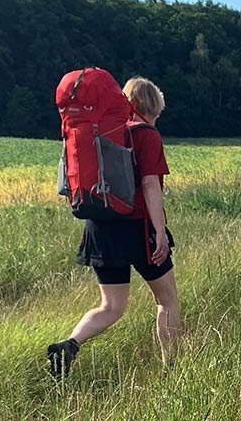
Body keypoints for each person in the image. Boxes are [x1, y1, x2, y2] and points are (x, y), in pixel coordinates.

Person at [47, 77, 180, 377]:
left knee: (111, 307)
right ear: (155, 105)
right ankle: (170, 369)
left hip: (100, 228)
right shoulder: (147, 135)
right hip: (138, 229)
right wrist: (160, 232)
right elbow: (150, 186)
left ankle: (70, 344)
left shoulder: (104, 134)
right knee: (167, 301)